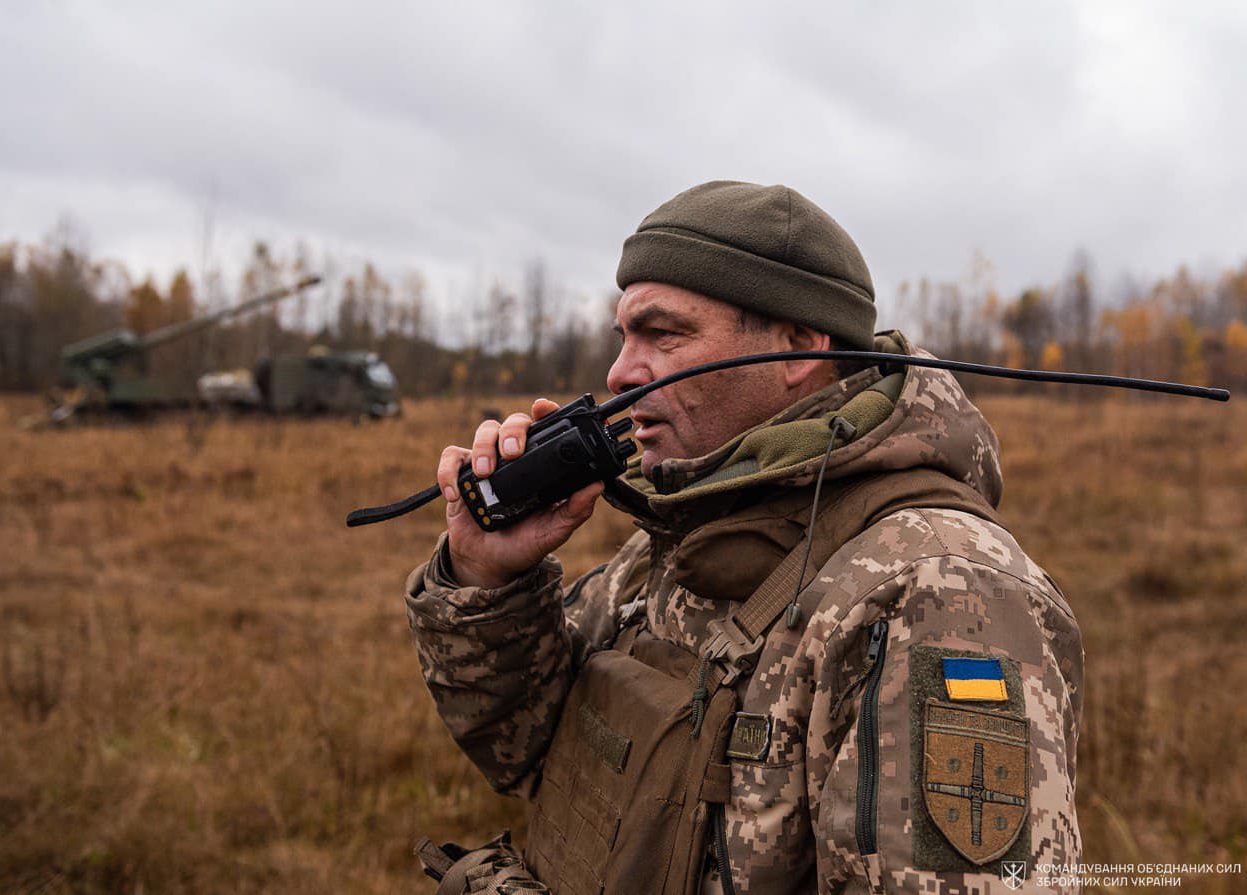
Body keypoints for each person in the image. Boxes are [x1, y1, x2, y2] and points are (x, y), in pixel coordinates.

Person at [405, 181, 1083, 894]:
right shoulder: (679, 537)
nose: (619, 372)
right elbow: (525, 752)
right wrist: (489, 578)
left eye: (663, 334)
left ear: (797, 348)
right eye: (623, 336)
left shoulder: (939, 593)